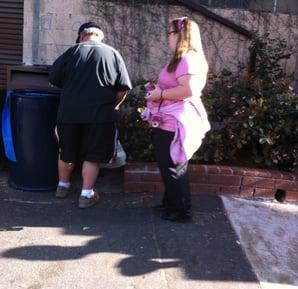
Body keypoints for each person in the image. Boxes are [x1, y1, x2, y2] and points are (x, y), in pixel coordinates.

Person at [48, 22, 132, 208]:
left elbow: (53, 80)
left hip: (69, 115)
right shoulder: (113, 54)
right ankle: (86, 196)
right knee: (92, 155)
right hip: (100, 116)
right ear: (100, 37)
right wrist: (114, 106)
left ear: (81, 36)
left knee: (66, 151)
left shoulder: (70, 53)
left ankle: (62, 187)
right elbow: (122, 89)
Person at [143, 17, 210, 222]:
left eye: (169, 33)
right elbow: (177, 87)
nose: (168, 38)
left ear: (180, 34)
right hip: (169, 119)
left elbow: (188, 90)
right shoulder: (183, 59)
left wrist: (160, 95)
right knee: (169, 165)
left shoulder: (188, 59)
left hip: (174, 122)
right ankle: (171, 204)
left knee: (173, 166)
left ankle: (181, 211)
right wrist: (158, 90)